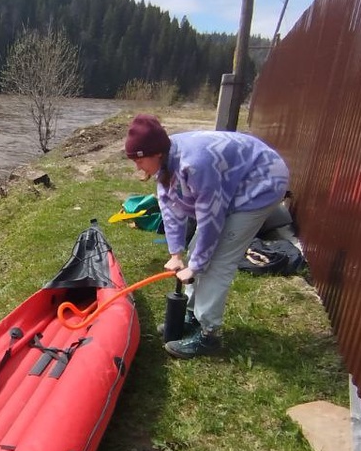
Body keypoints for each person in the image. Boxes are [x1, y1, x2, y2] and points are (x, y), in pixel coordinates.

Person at [123, 113, 290, 358]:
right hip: (234, 182)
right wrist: (176, 253)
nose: (137, 166)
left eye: (139, 160)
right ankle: (191, 315)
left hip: (262, 183)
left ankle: (209, 336)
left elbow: (211, 220)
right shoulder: (166, 158)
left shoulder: (195, 164)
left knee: (218, 260)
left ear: (156, 153)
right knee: (197, 252)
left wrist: (197, 265)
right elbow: (170, 207)